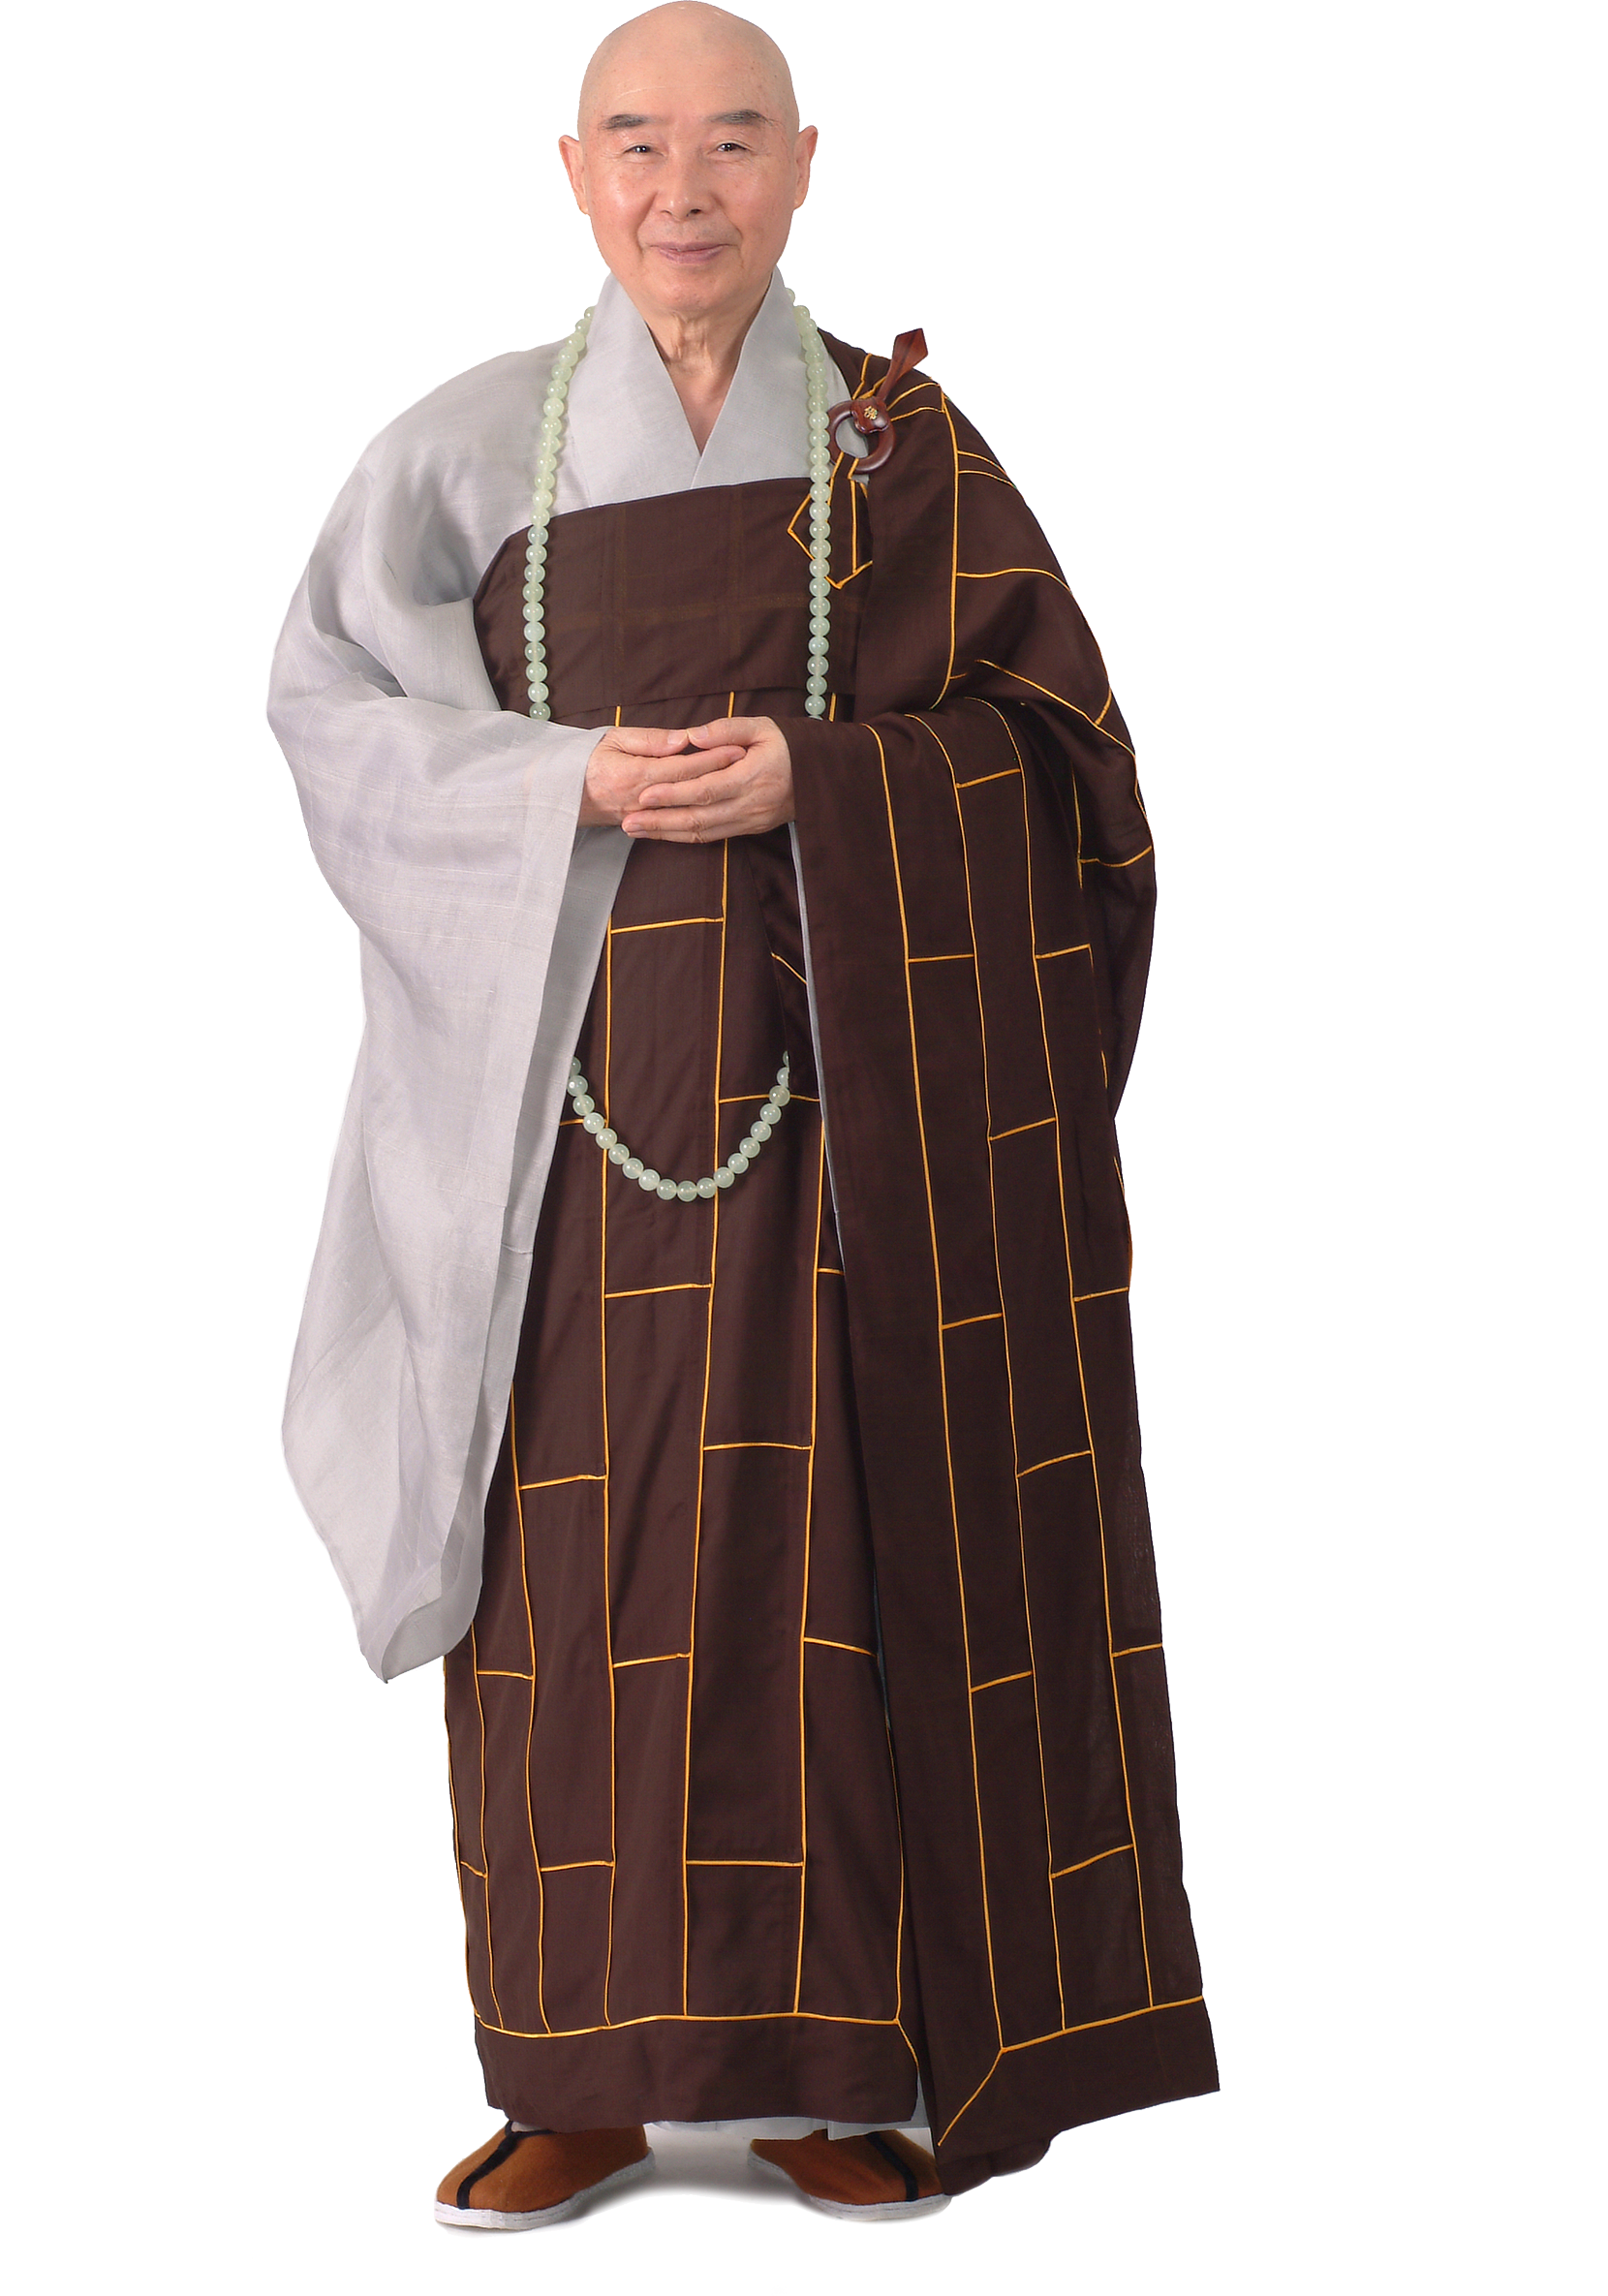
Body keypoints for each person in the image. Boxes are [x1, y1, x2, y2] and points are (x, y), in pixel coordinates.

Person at [266, 0, 1217, 2230]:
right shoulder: (466, 450)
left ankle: (830, 2066)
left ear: (801, 165)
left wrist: (831, 779)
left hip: (847, 1126)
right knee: (563, 1582)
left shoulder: (901, 453)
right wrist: (557, 784)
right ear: (574, 173)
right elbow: (334, 723)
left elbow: (1067, 769)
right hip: (560, 1126)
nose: (681, 187)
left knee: (828, 1570)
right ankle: (576, 2080)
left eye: (729, 140)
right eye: (637, 141)